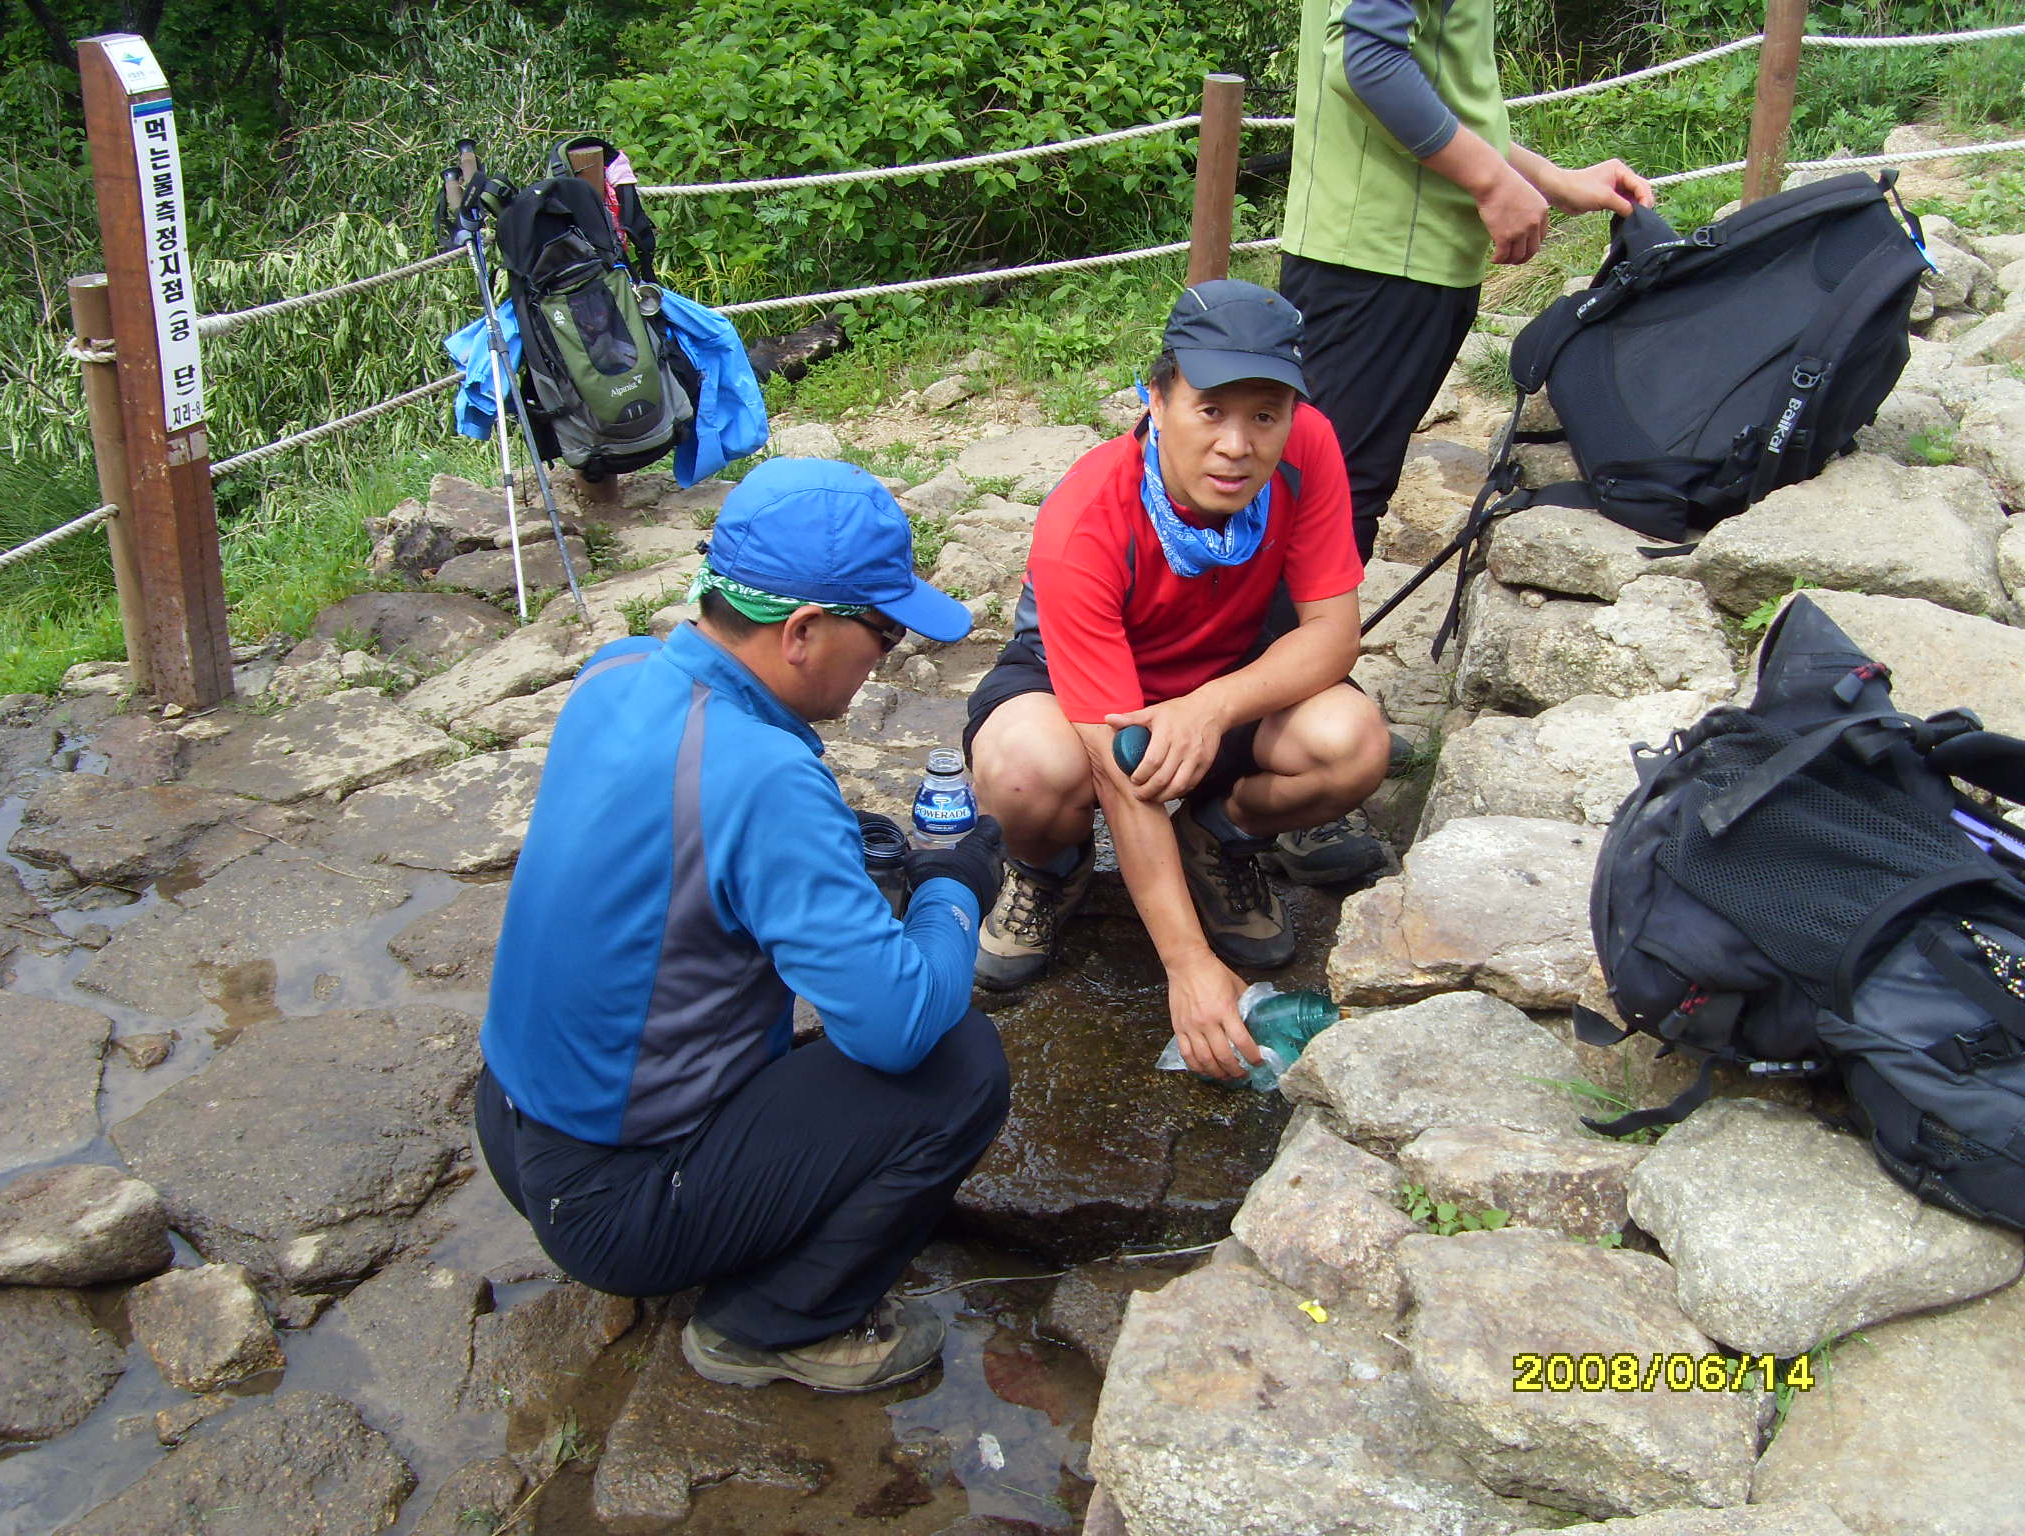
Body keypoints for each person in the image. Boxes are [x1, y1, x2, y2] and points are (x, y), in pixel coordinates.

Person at [474, 456, 1010, 1394]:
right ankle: (769, 1326)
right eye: (882, 631)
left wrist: (855, 855)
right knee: (961, 1064)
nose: (890, 655)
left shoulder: (619, 672)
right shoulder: (763, 775)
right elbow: (897, 1026)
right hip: (615, 1205)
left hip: (516, 1131)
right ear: (803, 630)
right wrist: (953, 888)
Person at [964, 279, 1389, 1081]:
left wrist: (1209, 707)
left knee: (1352, 744)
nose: (1238, 444)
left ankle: (1216, 836)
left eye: (1265, 414)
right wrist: (1189, 968)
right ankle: (1047, 871)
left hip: (1224, 673)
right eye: (1211, 410)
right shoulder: (1087, 517)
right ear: (1155, 399)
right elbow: (1117, 771)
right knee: (1030, 770)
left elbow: (1333, 632)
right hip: (1081, 695)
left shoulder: (1311, 449)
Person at [1279, 0, 1655, 561]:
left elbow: (1427, 87)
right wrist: (1490, 184)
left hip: (1382, 254)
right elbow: (1368, 63)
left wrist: (1547, 178)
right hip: (1380, 263)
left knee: (1321, 493)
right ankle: (1289, 650)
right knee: (1326, 504)